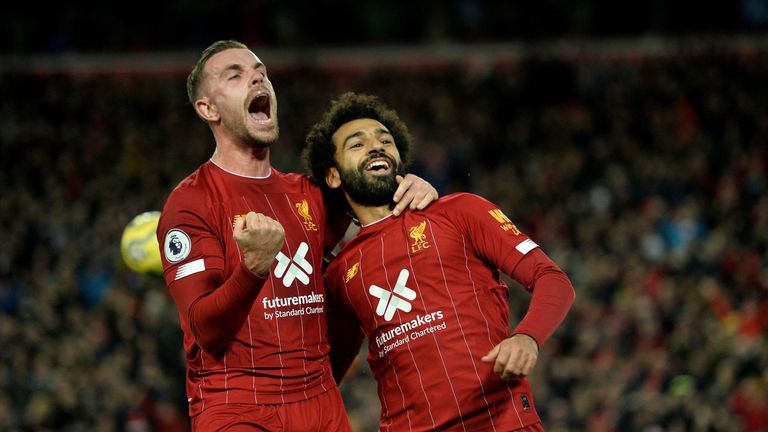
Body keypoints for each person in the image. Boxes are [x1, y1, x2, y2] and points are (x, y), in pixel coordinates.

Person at [156, 41, 438, 431]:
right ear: (208, 109)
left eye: (260, 71)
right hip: (239, 408)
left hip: (320, 405)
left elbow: (381, 196)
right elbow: (205, 330)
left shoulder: (309, 194)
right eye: (234, 75)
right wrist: (252, 269)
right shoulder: (191, 203)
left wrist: (416, 188)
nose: (257, 76)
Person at [302, 92, 576, 431]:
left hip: (501, 422)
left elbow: (552, 278)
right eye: (357, 145)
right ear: (333, 175)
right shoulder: (341, 273)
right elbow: (324, 374)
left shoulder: (460, 211)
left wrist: (528, 337)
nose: (376, 146)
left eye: (385, 140)